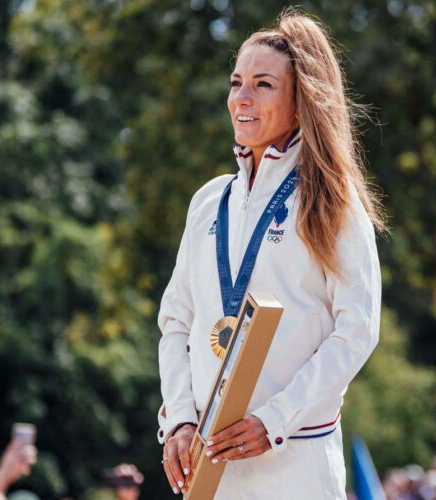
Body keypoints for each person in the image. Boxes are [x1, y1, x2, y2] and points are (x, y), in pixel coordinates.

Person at [156, 7, 385, 499]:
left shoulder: (332, 202)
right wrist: (177, 420)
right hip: (209, 468)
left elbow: (357, 331)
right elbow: (176, 324)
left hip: (296, 464)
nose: (242, 97)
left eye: (263, 85)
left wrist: (274, 420)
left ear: (300, 103)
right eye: (237, 82)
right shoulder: (208, 202)